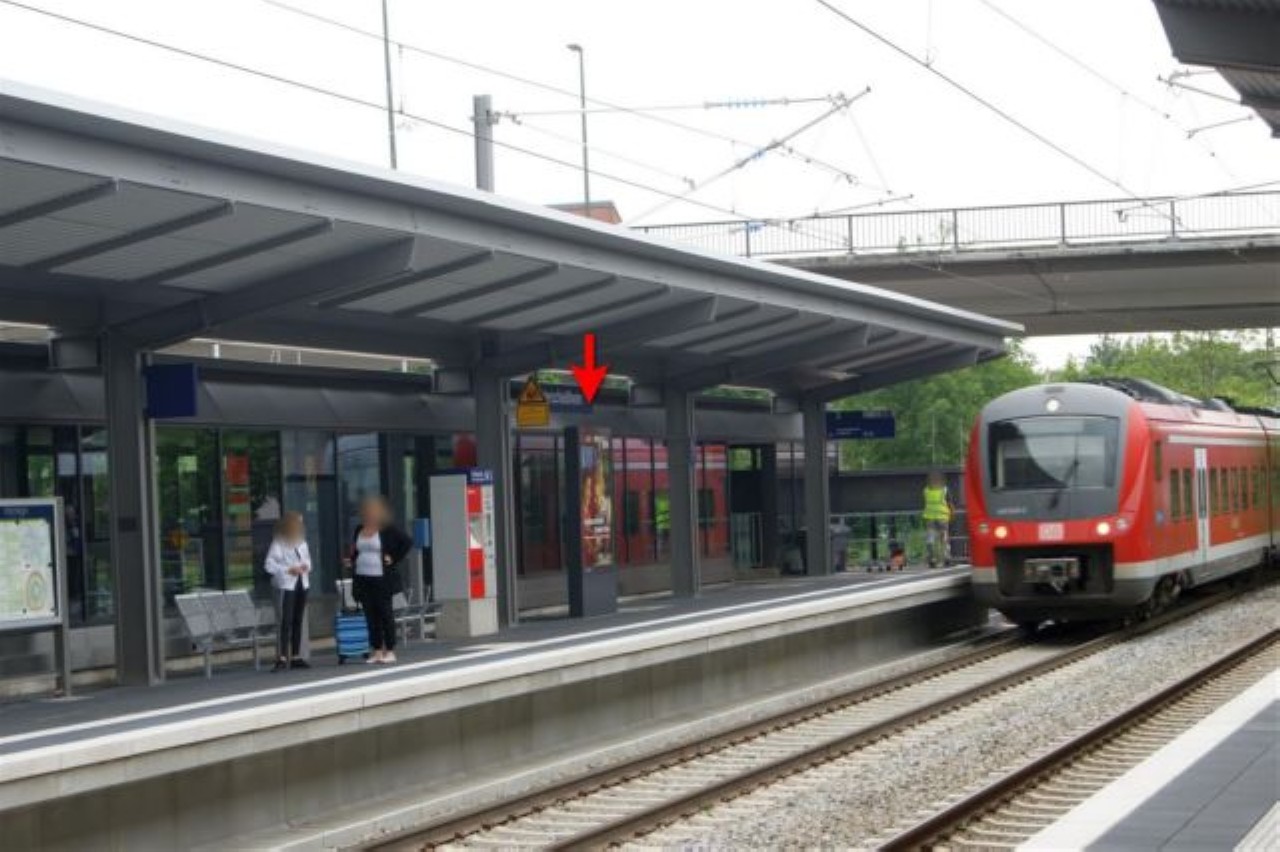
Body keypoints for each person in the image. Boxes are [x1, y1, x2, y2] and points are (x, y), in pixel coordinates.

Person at [344, 496, 413, 665]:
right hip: (362, 577)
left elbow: (407, 542)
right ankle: (376, 650)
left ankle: (390, 650)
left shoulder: (387, 529)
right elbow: (357, 551)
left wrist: (393, 558)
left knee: (385, 613)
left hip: (382, 578)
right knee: (370, 615)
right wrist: (351, 560)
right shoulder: (359, 529)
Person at [263, 512, 312, 671]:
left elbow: (308, 561)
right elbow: (269, 564)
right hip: (287, 584)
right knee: (286, 620)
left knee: (298, 619)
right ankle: (282, 656)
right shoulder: (279, 542)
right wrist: (287, 570)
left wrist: (305, 567)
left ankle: (296, 656)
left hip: (302, 583)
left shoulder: (302, 542)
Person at [922, 471, 954, 568]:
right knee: (944, 539)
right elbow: (950, 503)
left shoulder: (926, 490)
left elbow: (925, 502)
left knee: (930, 539)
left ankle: (932, 560)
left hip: (930, 518)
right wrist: (952, 514)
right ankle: (947, 559)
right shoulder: (944, 490)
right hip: (943, 518)